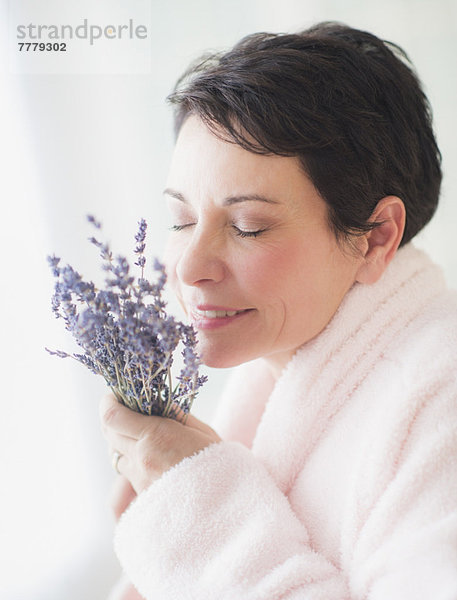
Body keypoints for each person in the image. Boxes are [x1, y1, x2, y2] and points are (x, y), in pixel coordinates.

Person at [101, 22, 457, 600]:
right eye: (182, 219)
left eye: (248, 226)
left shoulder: (439, 399)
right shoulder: (280, 365)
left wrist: (202, 514)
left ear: (375, 238)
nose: (190, 267)